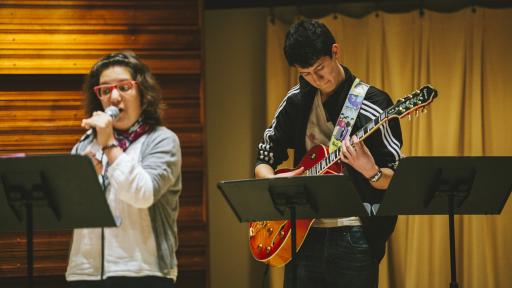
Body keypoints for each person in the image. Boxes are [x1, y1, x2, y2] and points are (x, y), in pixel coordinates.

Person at [255, 19, 403, 287]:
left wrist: (369, 169)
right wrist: (273, 182)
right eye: (306, 73)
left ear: (335, 51)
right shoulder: (296, 99)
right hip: (301, 235)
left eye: (320, 69)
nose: (316, 79)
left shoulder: (373, 103)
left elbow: (396, 177)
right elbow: (265, 156)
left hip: (354, 233)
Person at [66, 51, 182, 288]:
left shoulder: (162, 140)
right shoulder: (85, 144)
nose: (114, 97)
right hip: (86, 271)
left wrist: (109, 144)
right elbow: (69, 209)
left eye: (124, 87)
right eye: (105, 90)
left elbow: (143, 194)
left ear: (142, 92)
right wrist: (84, 180)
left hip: (143, 270)